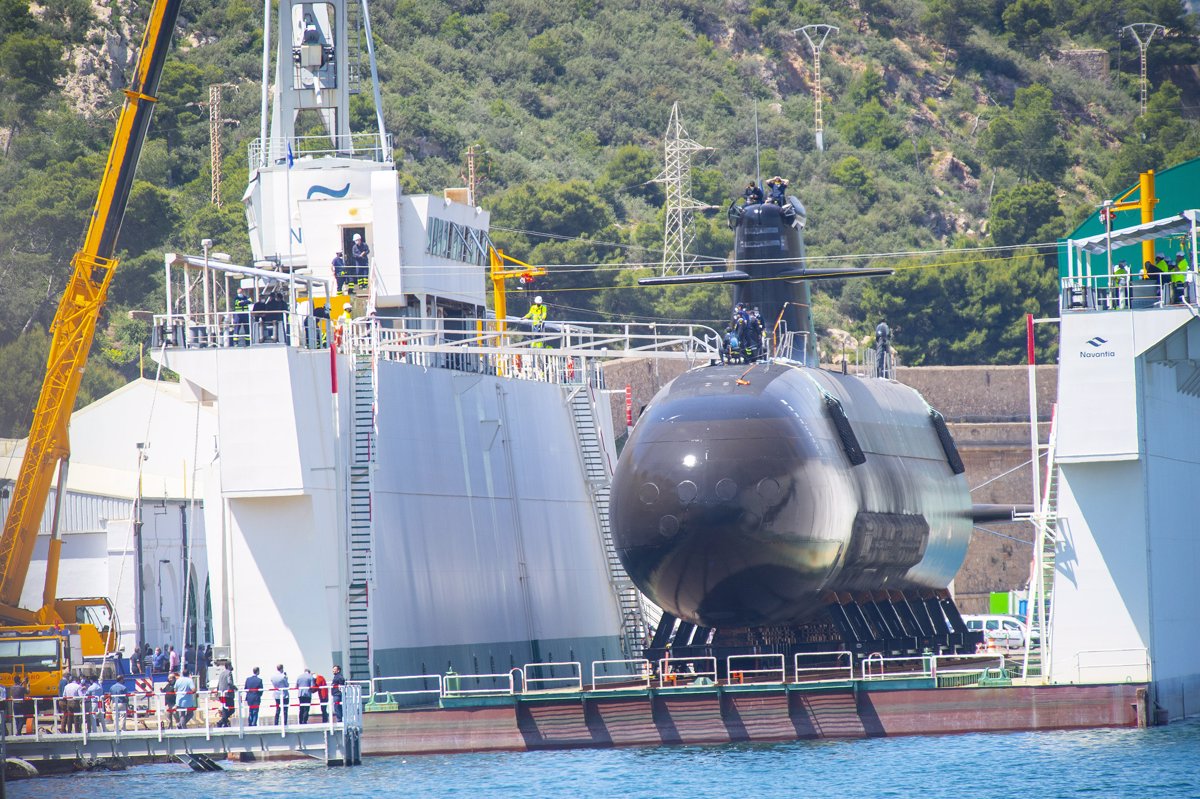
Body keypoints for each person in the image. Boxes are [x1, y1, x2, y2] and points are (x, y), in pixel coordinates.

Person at [216, 661, 236, 727]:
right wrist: (235, 687)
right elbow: (229, 682)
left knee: (225, 709)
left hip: (221, 694)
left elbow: (218, 684)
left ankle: (224, 722)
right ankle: (221, 721)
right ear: (229, 666)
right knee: (232, 709)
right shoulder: (229, 673)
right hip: (227, 694)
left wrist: (217, 692)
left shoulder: (221, 673)